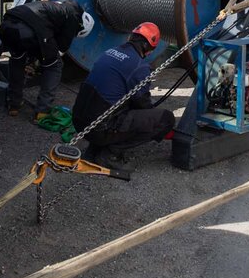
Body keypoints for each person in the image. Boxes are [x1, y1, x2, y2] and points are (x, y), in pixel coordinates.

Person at [72, 22, 175, 168]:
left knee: (119, 100)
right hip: (99, 128)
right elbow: (143, 104)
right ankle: (110, 153)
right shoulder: (139, 66)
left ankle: (95, 147)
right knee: (165, 119)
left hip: (79, 121)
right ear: (147, 46)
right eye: (151, 50)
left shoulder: (110, 52)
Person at [0, 0, 94, 120]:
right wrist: (43, 63)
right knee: (55, 66)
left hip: (7, 25)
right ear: (81, 26)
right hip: (29, 30)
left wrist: (36, 59)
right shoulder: (73, 17)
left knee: (17, 60)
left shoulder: (59, 6)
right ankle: (42, 111)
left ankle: (14, 105)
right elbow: (60, 48)